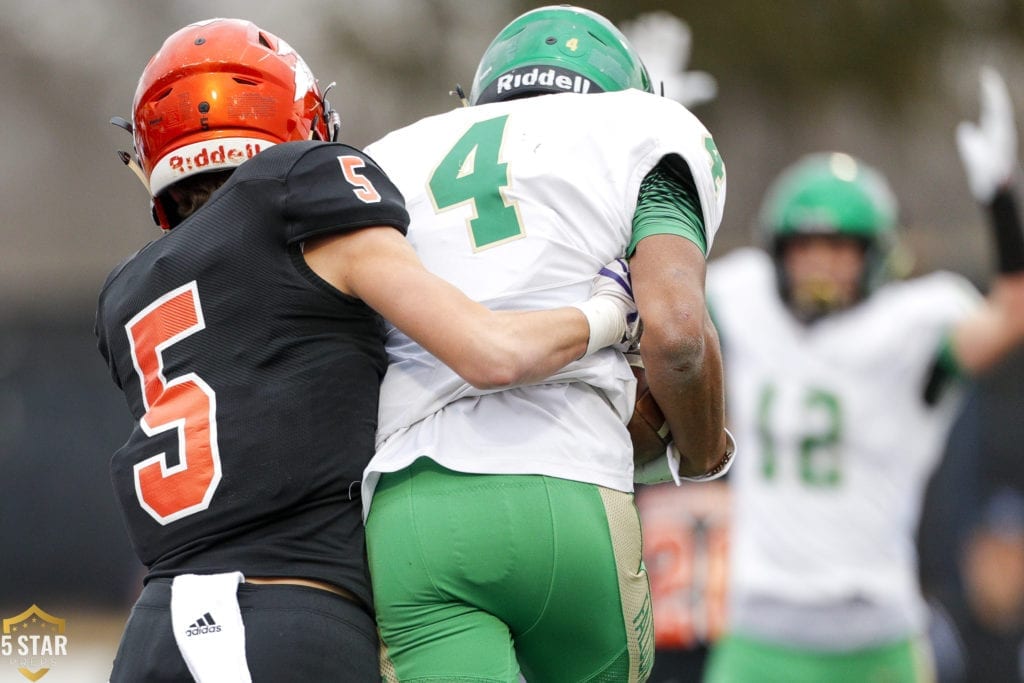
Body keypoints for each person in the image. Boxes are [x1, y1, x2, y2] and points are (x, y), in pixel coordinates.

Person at [94, 18, 637, 683]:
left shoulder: (124, 289)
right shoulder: (301, 185)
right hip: (284, 615)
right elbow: (490, 350)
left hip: (154, 630)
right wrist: (611, 313)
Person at [359, 5, 732, 681]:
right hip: (569, 487)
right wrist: (703, 452)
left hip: (412, 502)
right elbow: (677, 336)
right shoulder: (642, 129)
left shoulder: (383, 157)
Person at [702, 66, 1024, 683]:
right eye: (805, 247)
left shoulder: (913, 324)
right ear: (778, 252)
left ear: (875, 255)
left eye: (839, 248)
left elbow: (1010, 314)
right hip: (763, 629)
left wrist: (1001, 197)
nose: (820, 264)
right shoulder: (744, 299)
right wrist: (657, 169)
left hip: (876, 631)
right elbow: (655, 300)